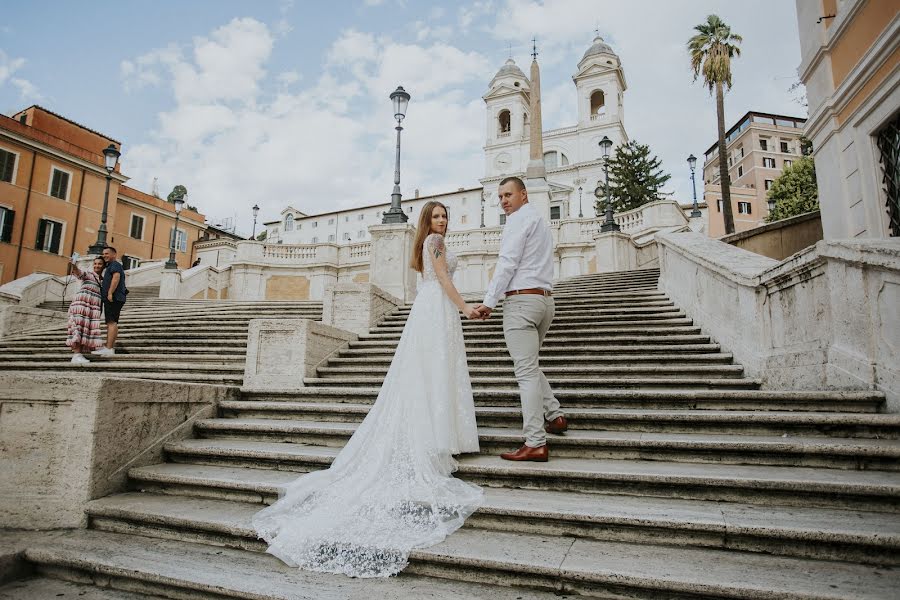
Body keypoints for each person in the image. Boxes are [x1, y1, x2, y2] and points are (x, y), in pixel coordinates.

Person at [253, 201, 485, 578]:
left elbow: (437, 279)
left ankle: (439, 434)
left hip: (429, 309)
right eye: (436, 217)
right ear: (427, 222)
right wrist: (466, 308)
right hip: (438, 307)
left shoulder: (426, 245)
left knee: (429, 371)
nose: (441, 221)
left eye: (445, 216)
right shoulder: (436, 245)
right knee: (434, 369)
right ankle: (439, 437)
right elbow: (444, 279)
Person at [473, 176, 567, 462]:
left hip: (522, 302)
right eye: (500, 196)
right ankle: (555, 414)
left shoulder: (516, 221)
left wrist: (489, 301)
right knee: (530, 365)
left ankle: (535, 441)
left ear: (524, 195)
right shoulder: (539, 220)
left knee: (524, 372)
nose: (503, 201)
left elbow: (507, 263)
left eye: (508, 195)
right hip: (544, 300)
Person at [66, 257, 106, 364]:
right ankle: (76, 355)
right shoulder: (89, 274)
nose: (97, 266)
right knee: (79, 329)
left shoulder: (102, 280)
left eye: (100, 264)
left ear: (104, 266)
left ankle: (79, 355)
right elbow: (79, 273)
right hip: (81, 305)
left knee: (85, 330)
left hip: (91, 309)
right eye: (95, 263)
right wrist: (73, 265)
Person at [93, 246, 127, 356]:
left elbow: (116, 278)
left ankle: (109, 348)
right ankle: (109, 347)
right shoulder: (111, 266)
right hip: (115, 298)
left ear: (114, 255)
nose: (104, 256)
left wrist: (110, 293)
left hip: (114, 297)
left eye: (107, 253)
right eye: (103, 254)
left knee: (111, 322)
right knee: (112, 322)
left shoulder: (115, 265)